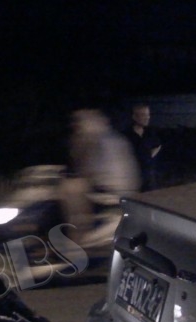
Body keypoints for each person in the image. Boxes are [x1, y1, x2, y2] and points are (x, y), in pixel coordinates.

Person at [60, 109, 140, 248]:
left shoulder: (102, 142)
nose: (77, 127)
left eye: (80, 123)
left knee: (72, 188)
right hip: (110, 194)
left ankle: (77, 241)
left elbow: (88, 172)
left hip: (113, 196)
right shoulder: (111, 140)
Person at [124, 103, 162, 191]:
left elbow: (157, 145)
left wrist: (148, 157)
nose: (147, 118)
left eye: (148, 115)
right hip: (132, 175)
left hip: (148, 174)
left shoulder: (150, 132)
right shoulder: (127, 135)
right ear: (134, 117)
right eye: (143, 115)